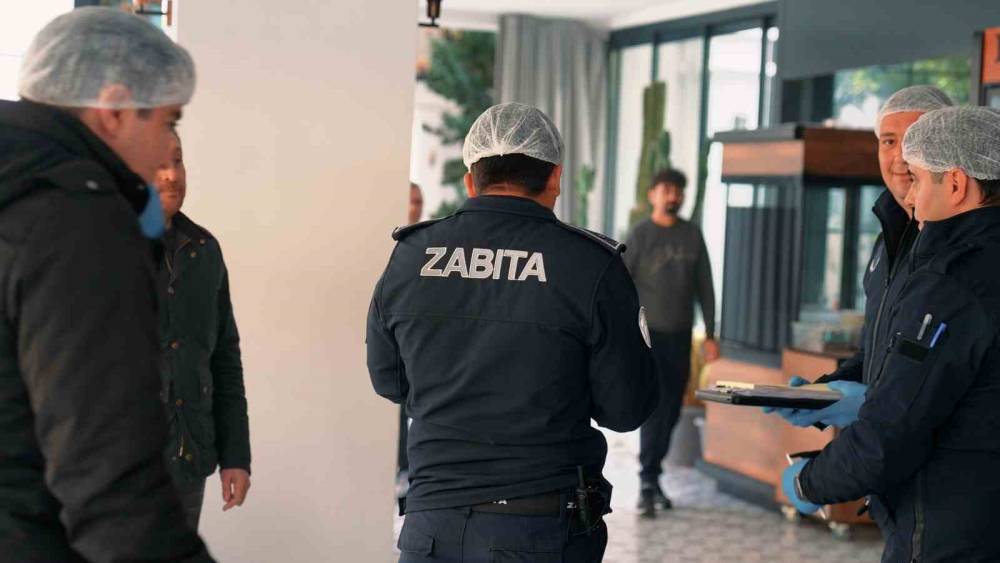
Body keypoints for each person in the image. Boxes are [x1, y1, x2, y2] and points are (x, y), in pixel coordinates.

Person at [368, 102, 658, 562]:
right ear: (555, 178)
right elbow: (626, 409)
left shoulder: (410, 256)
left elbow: (390, 382)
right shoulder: (590, 265)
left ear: (470, 179)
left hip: (430, 531)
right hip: (538, 532)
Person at [0, 7, 212, 562]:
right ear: (114, 110)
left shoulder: (15, 190)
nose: (167, 152)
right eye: (167, 122)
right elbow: (110, 479)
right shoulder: (76, 221)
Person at [782, 106, 1000, 562]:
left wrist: (808, 482)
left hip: (947, 533)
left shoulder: (950, 283)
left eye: (917, 179)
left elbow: (890, 434)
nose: (911, 196)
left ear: (955, 185)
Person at [765, 85, 953, 429]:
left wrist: (871, 406)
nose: (900, 157)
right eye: (889, 141)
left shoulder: (957, 245)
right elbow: (872, 352)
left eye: (914, 140)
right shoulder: (887, 241)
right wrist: (823, 393)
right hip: (880, 441)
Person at [154, 131, 252, 528]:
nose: (171, 175)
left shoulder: (204, 251)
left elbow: (224, 359)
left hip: (186, 464)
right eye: (158, 163)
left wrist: (236, 456)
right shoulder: (97, 248)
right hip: (113, 469)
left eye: (177, 161)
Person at [623, 168, 719, 515]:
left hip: (681, 336)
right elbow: (620, 284)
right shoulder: (640, 235)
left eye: (678, 190)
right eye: (666, 189)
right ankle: (648, 480)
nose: (673, 196)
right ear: (652, 194)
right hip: (647, 337)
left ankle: (652, 476)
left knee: (673, 409)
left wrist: (711, 335)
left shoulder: (692, 235)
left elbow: (706, 287)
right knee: (655, 406)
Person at [396, 181, 425, 495]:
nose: (415, 207)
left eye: (419, 201)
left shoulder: (424, 246)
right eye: (411, 200)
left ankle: (405, 469)